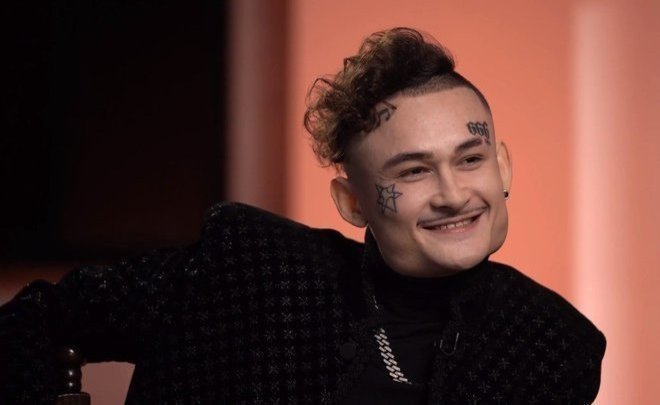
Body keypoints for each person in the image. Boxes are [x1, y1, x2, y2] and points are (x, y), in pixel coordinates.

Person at [0, 27, 605, 404]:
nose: (453, 194)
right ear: (352, 203)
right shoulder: (250, 266)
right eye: (413, 171)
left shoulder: (554, 343)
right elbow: (33, 321)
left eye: (470, 159)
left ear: (502, 167)